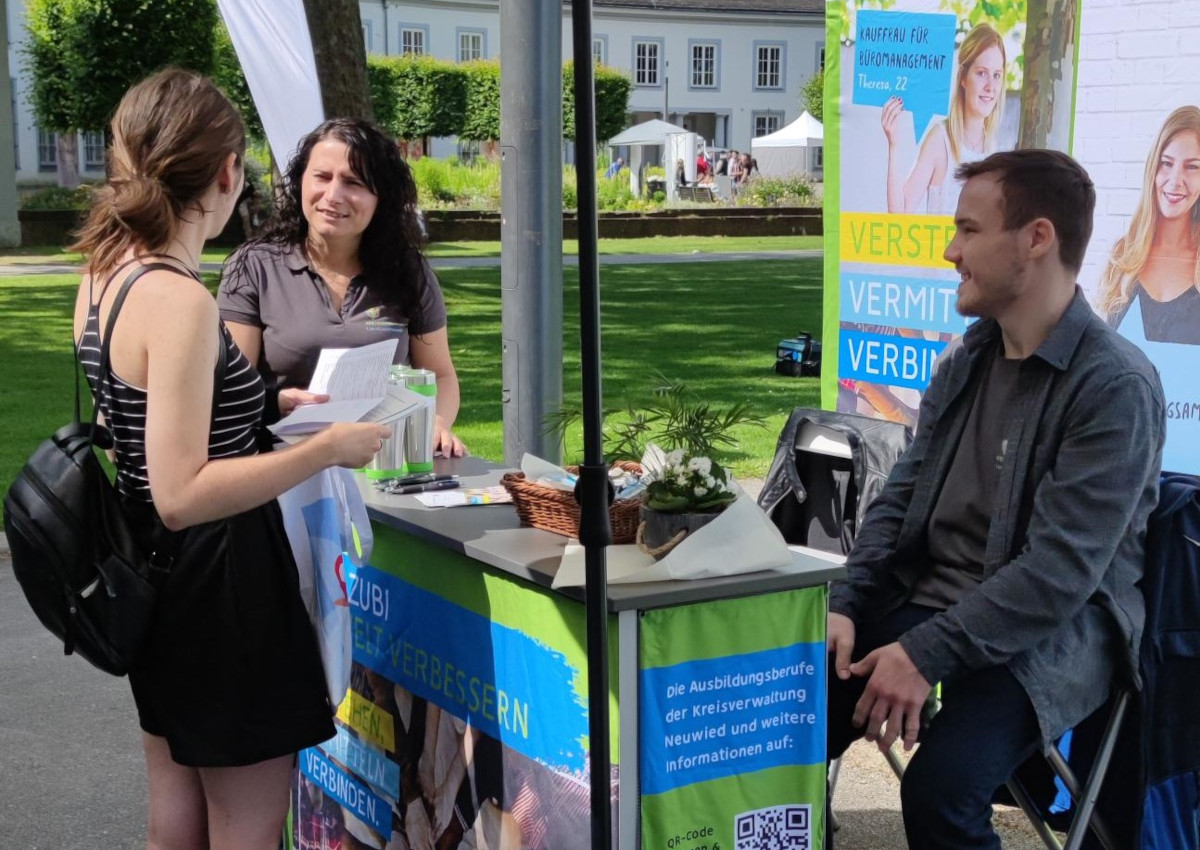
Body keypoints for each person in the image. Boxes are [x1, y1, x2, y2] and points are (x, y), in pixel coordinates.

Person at [70, 68, 391, 849]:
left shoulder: (102, 276)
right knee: (244, 825)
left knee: (174, 806)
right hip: (221, 591)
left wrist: (265, 405)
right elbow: (183, 489)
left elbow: (143, 415)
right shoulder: (177, 297)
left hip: (154, 577)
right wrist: (326, 452)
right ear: (223, 174)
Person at [824, 149, 1165, 848]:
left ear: (1036, 239)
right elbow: (898, 501)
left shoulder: (1114, 387)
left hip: (1057, 633)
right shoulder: (965, 359)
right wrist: (845, 605)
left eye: (968, 230)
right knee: (786, 712)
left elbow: (1057, 576)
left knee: (941, 788)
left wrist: (921, 655)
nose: (951, 250)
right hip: (934, 601)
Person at [220, 117, 467, 457]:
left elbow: (440, 375)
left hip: (384, 463)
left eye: (353, 183)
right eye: (321, 177)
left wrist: (437, 422)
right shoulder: (254, 266)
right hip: (278, 467)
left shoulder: (409, 273)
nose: (333, 195)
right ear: (300, 183)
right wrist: (275, 401)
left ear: (382, 197)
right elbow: (233, 388)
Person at [1096, 105, 1200, 344]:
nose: (1175, 180)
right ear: (1153, 169)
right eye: (1166, 163)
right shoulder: (1123, 255)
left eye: (1192, 166)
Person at [881, 22, 1006, 215]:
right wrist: (893, 144)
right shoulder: (941, 140)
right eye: (982, 73)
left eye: (997, 75)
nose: (991, 86)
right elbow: (900, 212)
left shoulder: (991, 148)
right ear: (963, 78)